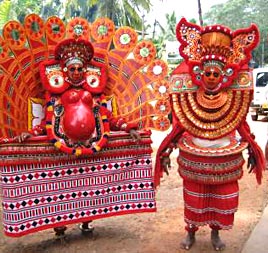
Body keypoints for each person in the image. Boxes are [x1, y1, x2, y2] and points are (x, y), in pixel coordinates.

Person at [154, 18, 265, 251]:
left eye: (217, 73)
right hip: (196, 155)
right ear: (199, 73)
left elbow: (242, 125)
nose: (212, 77)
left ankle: (215, 234)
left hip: (225, 156)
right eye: (208, 73)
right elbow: (180, 126)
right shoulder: (188, 97)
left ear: (225, 74)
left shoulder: (235, 99)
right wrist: (166, 150)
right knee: (194, 197)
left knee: (222, 197)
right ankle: (191, 232)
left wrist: (252, 148)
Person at [15, 38, 141, 236]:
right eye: (72, 69)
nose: (76, 72)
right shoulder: (55, 95)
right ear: (65, 71)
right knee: (60, 188)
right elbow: (49, 119)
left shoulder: (93, 94)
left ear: (85, 70)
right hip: (62, 146)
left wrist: (128, 128)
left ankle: (86, 221)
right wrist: (30, 133)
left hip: (91, 144)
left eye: (79, 69)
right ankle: (59, 224)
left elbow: (106, 116)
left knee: (87, 186)